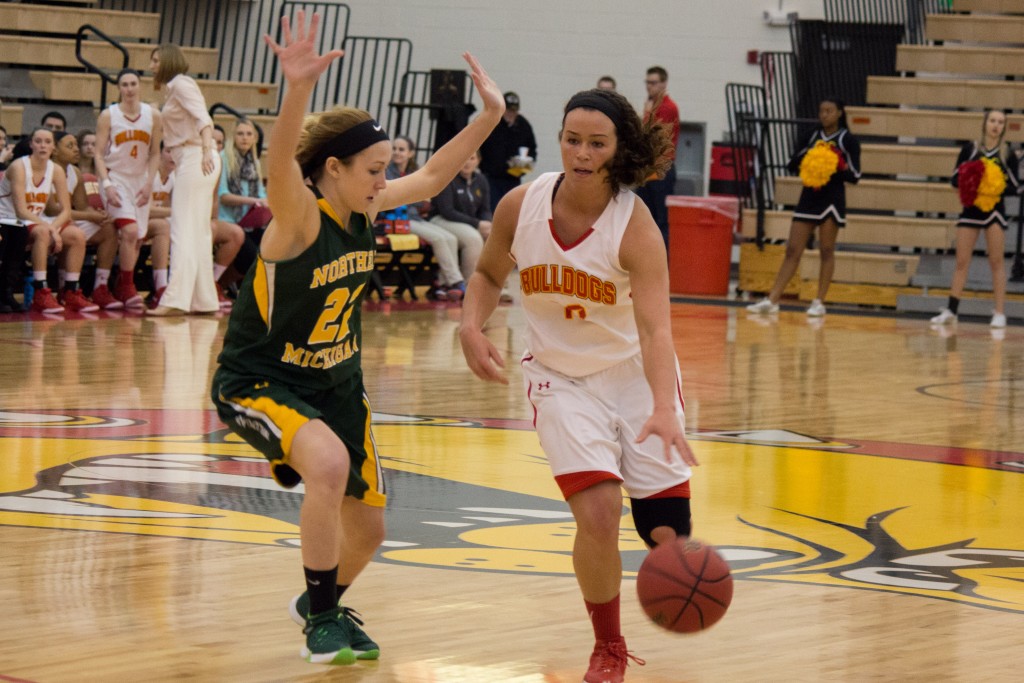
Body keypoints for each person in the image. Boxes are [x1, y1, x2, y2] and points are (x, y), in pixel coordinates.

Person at [209, 10, 504, 666]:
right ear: (333, 169)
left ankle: (322, 600)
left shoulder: (363, 207)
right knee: (328, 465)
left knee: (369, 530)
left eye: (382, 169)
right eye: (372, 169)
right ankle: (321, 619)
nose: (383, 179)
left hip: (338, 382)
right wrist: (296, 90)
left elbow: (430, 177)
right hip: (261, 380)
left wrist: (488, 116)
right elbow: (283, 160)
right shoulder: (297, 220)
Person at [459, 88, 699, 683]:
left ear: (618, 151)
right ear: (559, 139)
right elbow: (489, 272)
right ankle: (609, 647)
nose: (582, 153)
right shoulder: (523, 205)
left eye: (597, 143)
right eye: (573, 139)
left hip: (636, 377)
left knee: (667, 534)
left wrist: (665, 408)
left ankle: (666, 562)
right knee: (598, 512)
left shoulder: (635, 225)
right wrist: (470, 325)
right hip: (560, 378)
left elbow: (655, 329)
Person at [747, 97, 861, 318]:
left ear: (839, 113)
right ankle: (772, 299)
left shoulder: (848, 140)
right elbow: (792, 164)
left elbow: (856, 175)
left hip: (832, 199)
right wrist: (810, 156)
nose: (824, 115)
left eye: (829, 110)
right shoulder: (811, 136)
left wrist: (836, 164)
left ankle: (819, 301)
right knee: (792, 250)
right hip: (809, 197)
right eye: (821, 111)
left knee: (826, 249)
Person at [148, 43, 221, 316]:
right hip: (192, 158)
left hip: (196, 157)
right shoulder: (174, 88)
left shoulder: (182, 84)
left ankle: (174, 300)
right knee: (197, 231)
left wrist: (204, 151)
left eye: (155, 60)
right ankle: (203, 301)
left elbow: (204, 119)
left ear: (167, 61)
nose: (152, 65)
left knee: (182, 228)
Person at [931, 109, 1019, 329]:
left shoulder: (1008, 153)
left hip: (995, 212)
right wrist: (972, 182)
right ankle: (952, 309)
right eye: (992, 121)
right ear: (985, 123)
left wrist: (993, 184)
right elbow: (954, 179)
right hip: (970, 211)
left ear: (1004, 127)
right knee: (961, 262)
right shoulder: (970, 149)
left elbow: (1015, 186)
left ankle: (999, 313)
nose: (996, 125)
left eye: (1000, 122)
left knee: (996, 262)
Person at [94, 68, 163, 308]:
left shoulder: (153, 115)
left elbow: (155, 153)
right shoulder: (108, 115)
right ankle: (126, 286)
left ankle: (122, 285)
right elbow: (98, 155)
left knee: (136, 239)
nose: (129, 89)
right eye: (124, 84)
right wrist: (107, 184)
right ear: (119, 88)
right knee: (130, 231)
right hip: (117, 179)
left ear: (140, 86)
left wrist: (149, 183)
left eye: (133, 83)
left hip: (141, 180)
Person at [0, 127, 79, 313]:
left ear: (53, 147)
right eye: (38, 141)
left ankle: (70, 290)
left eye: (47, 141)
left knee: (76, 235)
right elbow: (20, 210)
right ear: (31, 144)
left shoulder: (56, 170)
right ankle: (40, 289)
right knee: (32, 233)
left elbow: (66, 211)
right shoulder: (19, 167)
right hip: (7, 218)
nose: (43, 145)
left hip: (27, 222)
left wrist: (54, 227)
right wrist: (51, 229)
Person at [386, 135, 467, 300]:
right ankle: (456, 281)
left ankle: (444, 286)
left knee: (450, 238)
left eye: (401, 149)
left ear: (410, 153)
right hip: (397, 219)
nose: (396, 152)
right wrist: (415, 201)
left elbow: (423, 200)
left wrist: (414, 201)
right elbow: (392, 200)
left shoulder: (414, 172)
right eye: (394, 149)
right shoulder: (387, 171)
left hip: (415, 217)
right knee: (438, 238)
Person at [49, 131, 118, 311]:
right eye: (70, 146)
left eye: (75, 145)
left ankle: (100, 287)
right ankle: (67, 289)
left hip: (68, 220)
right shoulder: (46, 169)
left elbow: (81, 206)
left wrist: (97, 214)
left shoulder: (75, 171)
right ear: (55, 150)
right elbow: (52, 209)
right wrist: (89, 216)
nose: (76, 150)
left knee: (109, 229)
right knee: (74, 234)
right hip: (46, 221)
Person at [428, 149, 489, 297]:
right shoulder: (449, 178)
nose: (467, 162)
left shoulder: (481, 180)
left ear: (478, 161)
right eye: (464, 158)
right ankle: (468, 286)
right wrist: (477, 224)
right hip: (440, 220)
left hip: (467, 223)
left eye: (472, 158)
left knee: (494, 235)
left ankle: (495, 286)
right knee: (473, 238)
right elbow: (447, 211)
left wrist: (487, 222)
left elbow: (485, 209)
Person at [634, 66, 679, 246]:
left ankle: (661, 264)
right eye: (648, 83)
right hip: (649, 169)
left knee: (661, 221)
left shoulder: (666, 107)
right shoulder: (654, 106)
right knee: (645, 218)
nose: (649, 87)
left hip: (660, 169)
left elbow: (650, 136)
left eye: (653, 83)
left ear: (663, 84)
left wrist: (646, 114)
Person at [479, 90, 537, 212]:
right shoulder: (492, 123)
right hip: (491, 178)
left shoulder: (523, 125)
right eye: (508, 111)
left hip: (514, 177)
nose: (511, 114)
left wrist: (526, 165)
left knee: (512, 211)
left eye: (514, 111)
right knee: (493, 210)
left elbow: (532, 149)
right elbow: (478, 147)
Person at [144, 144, 174, 308]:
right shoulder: (149, 174)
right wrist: (174, 211)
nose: (173, 156)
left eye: (176, 152)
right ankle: (160, 288)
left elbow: (168, 209)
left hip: (155, 222)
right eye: (169, 151)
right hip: (135, 219)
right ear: (159, 153)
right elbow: (145, 210)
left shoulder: (173, 176)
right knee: (164, 226)